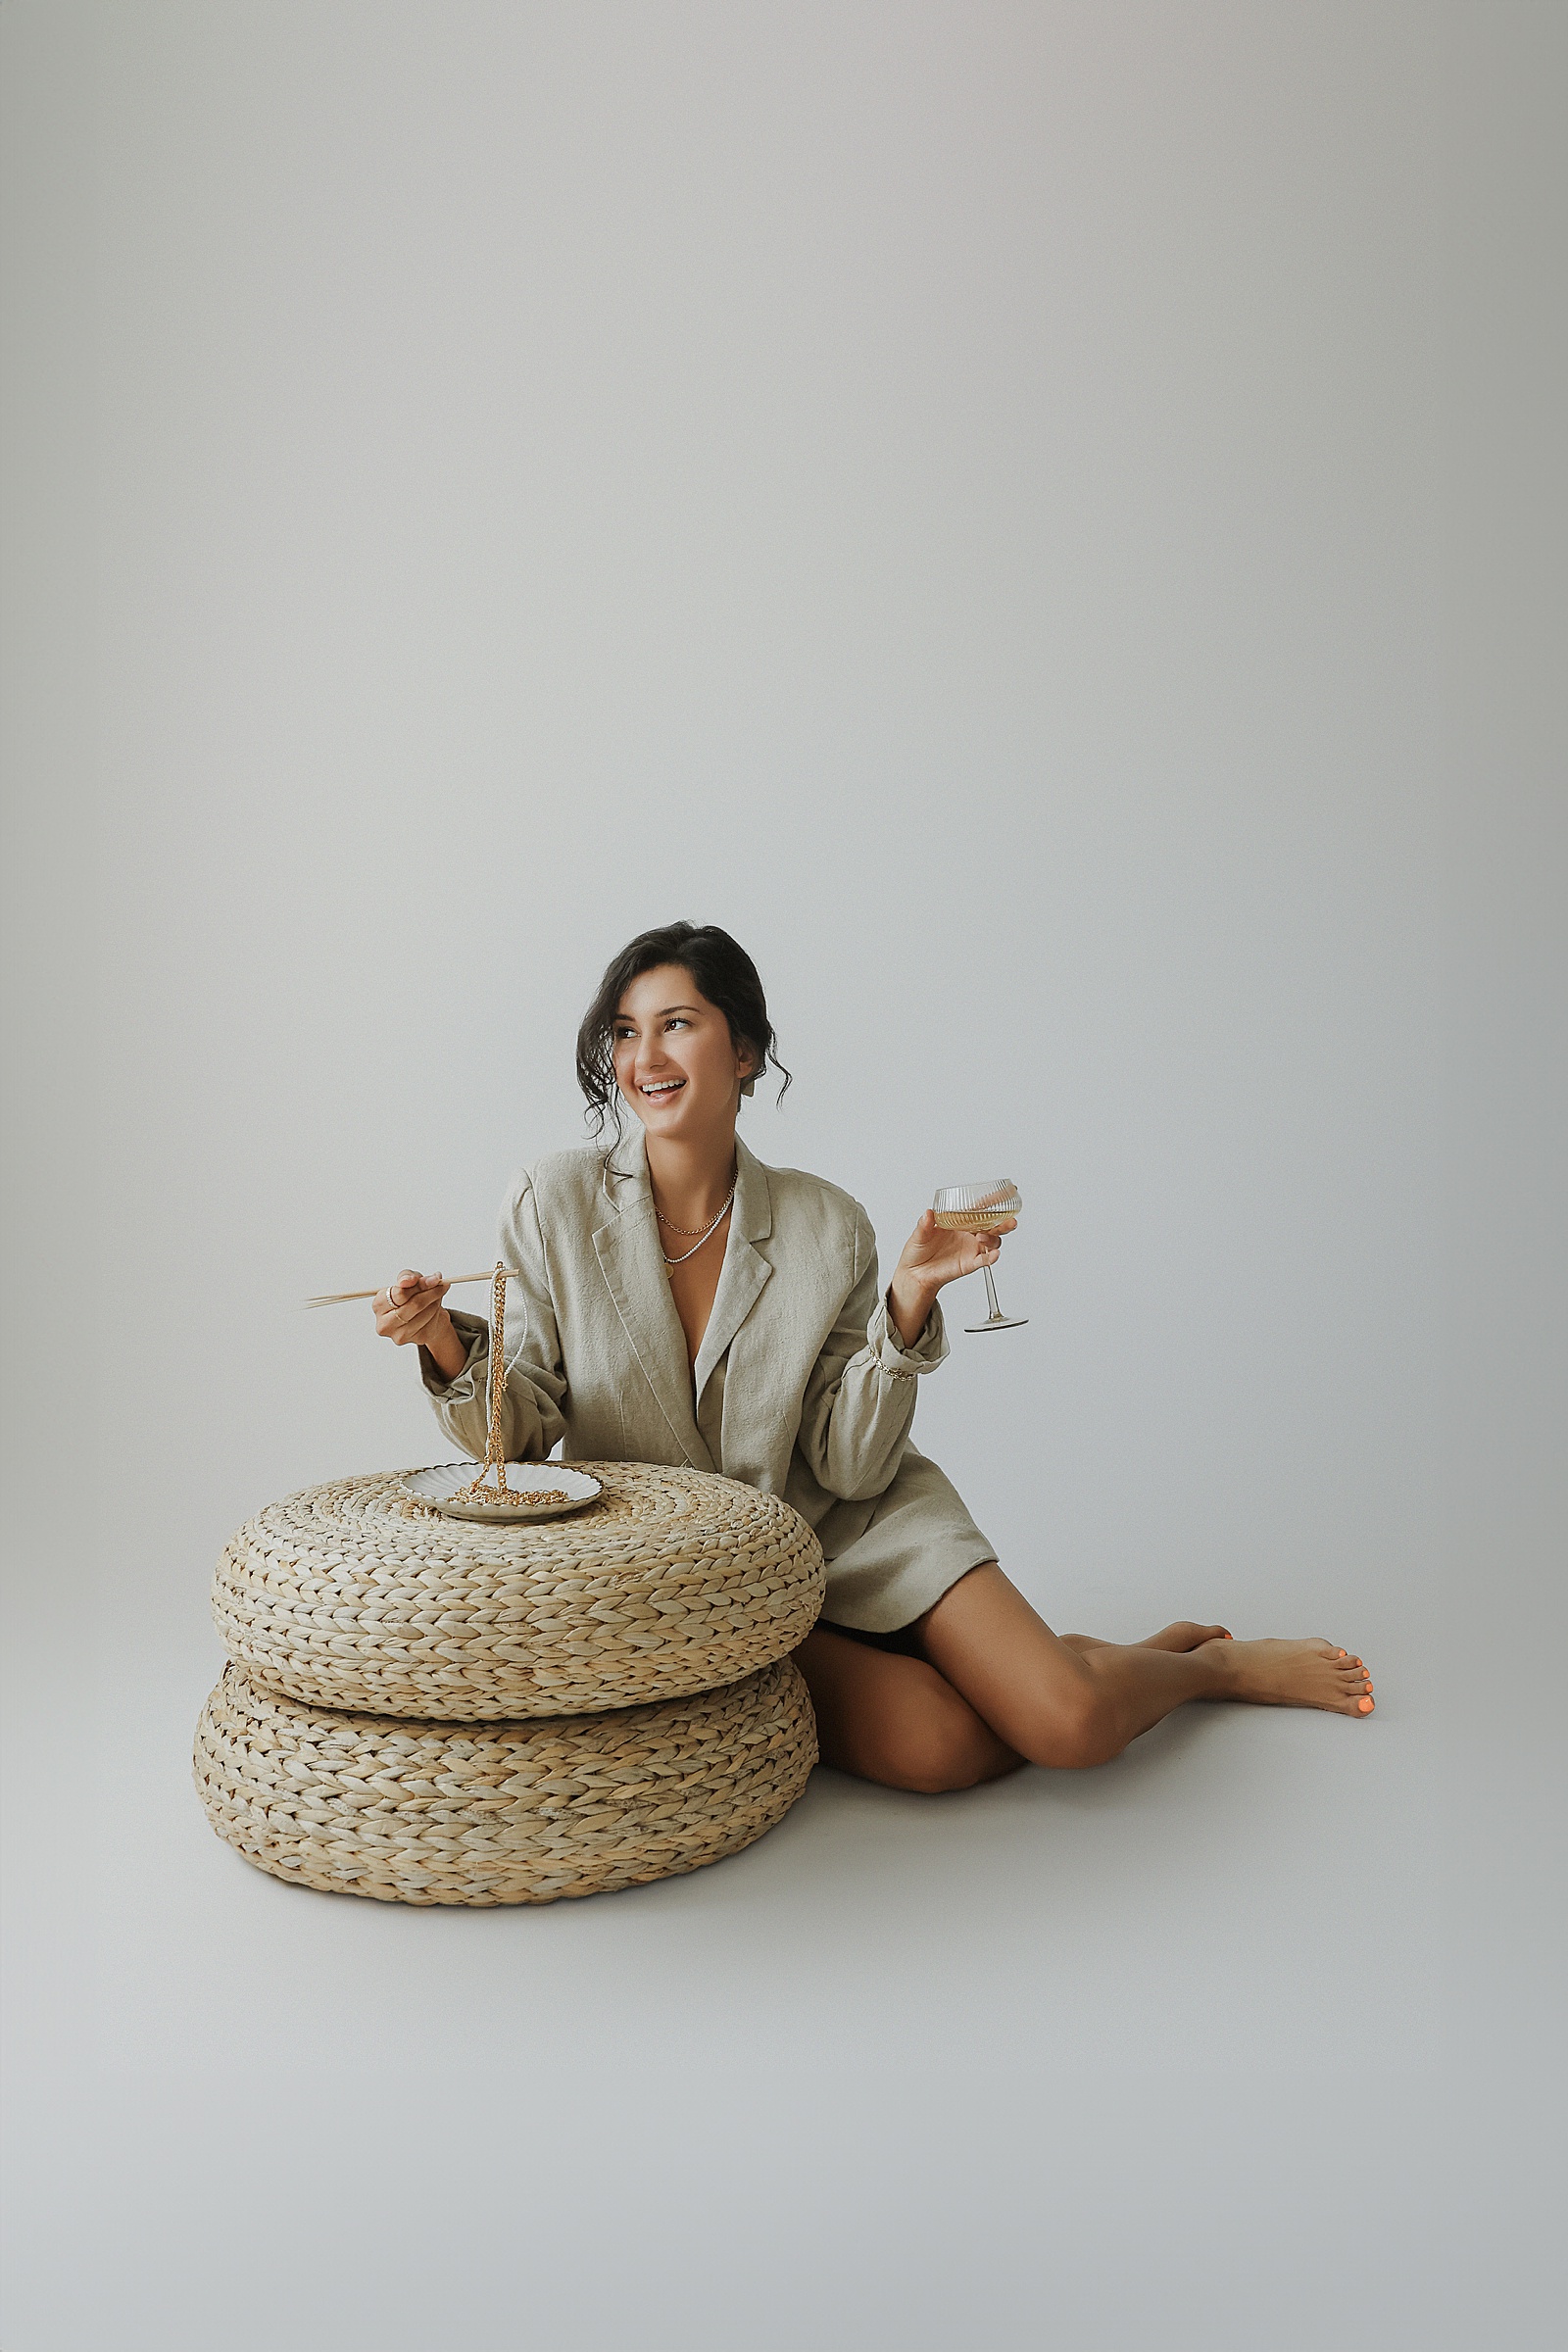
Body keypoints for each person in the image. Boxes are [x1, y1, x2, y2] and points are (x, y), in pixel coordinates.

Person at [374, 921, 1374, 1793]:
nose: (646, 1056)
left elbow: (850, 1467)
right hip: (715, 1585)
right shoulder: (548, 1202)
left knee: (1068, 1728)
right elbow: (526, 1430)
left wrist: (908, 1301)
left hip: (857, 1525)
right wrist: (439, 1339)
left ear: (746, 1051)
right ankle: (1100, 1661)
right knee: (943, 1752)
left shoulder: (825, 1223)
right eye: (626, 1032)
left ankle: (1209, 1671)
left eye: (677, 1023)